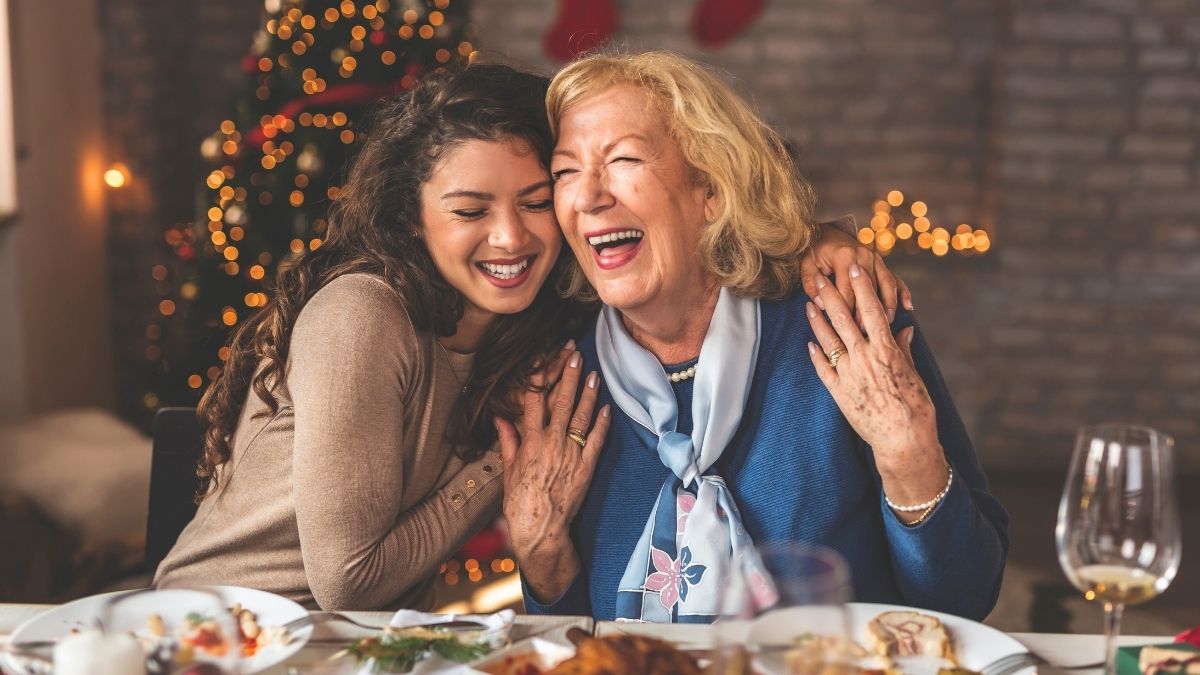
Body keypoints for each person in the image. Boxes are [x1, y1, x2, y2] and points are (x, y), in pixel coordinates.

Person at [154, 63, 901, 610]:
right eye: (470, 209)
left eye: (538, 199)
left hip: (349, 643)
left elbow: (718, 221)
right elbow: (347, 579)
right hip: (217, 633)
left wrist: (822, 241)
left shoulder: (543, 326)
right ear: (414, 219)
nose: (510, 237)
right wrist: (495, 465)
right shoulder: (364, 313)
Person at [500, 51, 1008, 623]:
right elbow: (566, 640)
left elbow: (965, 598)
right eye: (565, 171)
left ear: (711, 190)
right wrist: (541, 555)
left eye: (623, 159)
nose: (588, 196)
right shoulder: (562, 374)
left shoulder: (842, 321)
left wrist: (908, 456)